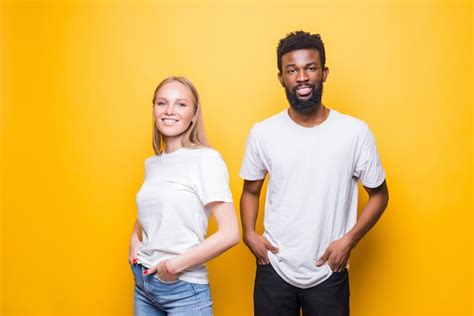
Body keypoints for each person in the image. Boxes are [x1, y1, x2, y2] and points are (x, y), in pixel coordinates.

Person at [240, 31, 389, 316]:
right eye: (292, 70)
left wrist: (349, 240)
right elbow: (250, 190)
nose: (302, 77)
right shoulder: (263, 132)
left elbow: (380, 195)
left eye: (310, 67)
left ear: (324, 72)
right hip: (274, 268)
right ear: (281, 78)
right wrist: (249, 233)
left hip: (328, 269)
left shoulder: (355, 132)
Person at [129, 76, 240, 316]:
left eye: (180, 104)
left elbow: (230, 233)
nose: (169, 111)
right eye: (162, 103)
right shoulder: (153, 163)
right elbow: (155, 210)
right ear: (154, 109)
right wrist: (134, 238)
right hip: (144, 284)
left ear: (194, 114)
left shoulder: (206, 160)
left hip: (182, 287)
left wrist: (174, 265)